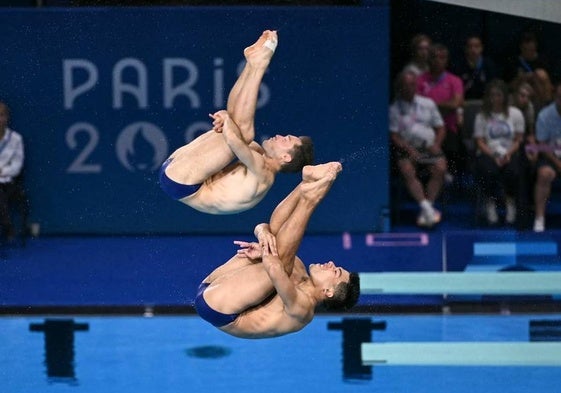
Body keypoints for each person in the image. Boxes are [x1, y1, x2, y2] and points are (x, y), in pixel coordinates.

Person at [194, 162, 360, 339]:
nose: (331, 263)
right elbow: (265, 228)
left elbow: (275, 269)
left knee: (280, 261)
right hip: (211, 285)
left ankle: (310, 200)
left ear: (328, 292)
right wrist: (262, 234)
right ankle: (305, 184)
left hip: (220, 309)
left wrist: (265, 251)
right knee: (275, 242)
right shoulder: (298, 267)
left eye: (335, 271)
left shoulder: (303, 311)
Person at [159, 30, 314, 214]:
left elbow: (234, 141)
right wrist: (226, 118)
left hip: (183, 182)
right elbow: (234, 132)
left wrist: (225, 118)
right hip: (178, 171)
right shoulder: (256, 152)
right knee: (240, 130)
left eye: (286, 139)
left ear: (285, 158)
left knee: (243, 133)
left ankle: (258, 66)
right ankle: (253, 65)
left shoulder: (264, 176)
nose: (280, 136)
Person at [389, 70, 447, 227]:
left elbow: (441, 128)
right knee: (407, 169)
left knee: (440, 167)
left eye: (413, 84)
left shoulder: (428, 104)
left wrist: (436, 145)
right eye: (406, 85)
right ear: (400, 87)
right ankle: (427, 209)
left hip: (429, 147)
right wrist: (409, 150)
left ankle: (426, 209)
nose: (410, 88)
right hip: (407, 148)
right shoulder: (394, 109)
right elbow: (394, 136)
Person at [473, 79, 524, 226]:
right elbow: (480, 141)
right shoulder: (481, 116)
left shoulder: (515, 114)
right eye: (492, 95)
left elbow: (519, 139)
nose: (495, 99)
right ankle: (490, 203)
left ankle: (510, 202)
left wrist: (508, 153)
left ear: (505, 96)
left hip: (510, 151)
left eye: (499, 95)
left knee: (513, 170)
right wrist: (493, 155)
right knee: (488, 170)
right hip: (489, 151)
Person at [417, 43, 465, 178]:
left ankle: (448, 177)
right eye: (434, 57)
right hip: (425, 127)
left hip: (449, 127)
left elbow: (455, 104)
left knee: (453, 145)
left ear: (447, 60)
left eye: (442, 57)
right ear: (429, 59)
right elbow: (418, 105)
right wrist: (444, 106)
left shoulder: (455, 81)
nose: (438, 60)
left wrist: (431, 105)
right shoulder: (420, 80)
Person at [532, 83, 561, 232]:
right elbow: (542, 145)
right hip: (550, 156)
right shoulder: (545, 115)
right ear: (556, 97)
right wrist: (557, 162)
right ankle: (539, 217)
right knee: (544, 174)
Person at [0, 101, 25, 242]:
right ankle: (7, 226)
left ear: (7, 117)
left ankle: (6, 226)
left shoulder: (16, 139)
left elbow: (17, 166)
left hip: (8, 183)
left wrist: (2, 171)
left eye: (1, 115)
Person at [452, 34, 499, 100]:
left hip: (486, 102)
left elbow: (494, 85)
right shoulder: (458, 67)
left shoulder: (489, 65)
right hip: (465, 102)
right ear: (465, 49)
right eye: (470, 46)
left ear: (482, 48)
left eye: (476, 46)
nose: (473, 49)